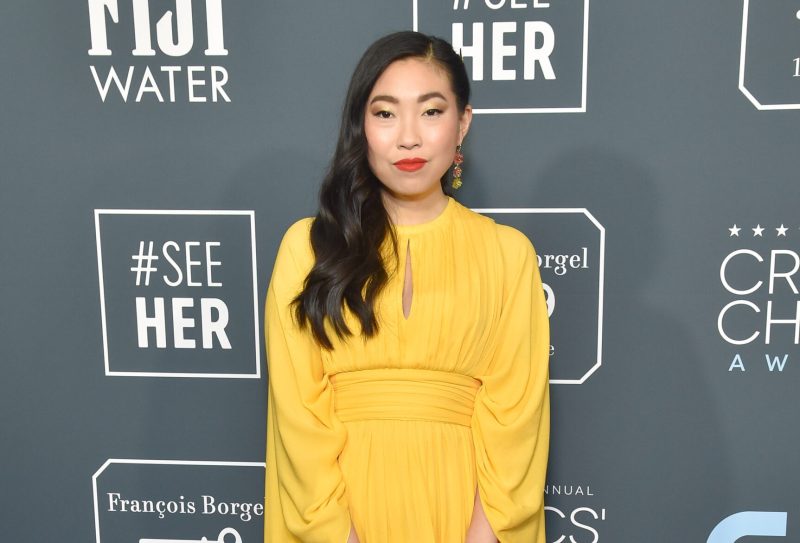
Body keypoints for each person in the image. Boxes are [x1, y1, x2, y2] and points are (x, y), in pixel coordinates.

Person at [264, 30, 550, 543]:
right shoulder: (308, 248)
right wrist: (336, 534)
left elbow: (517, 422)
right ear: (361, 127)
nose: (409, 137)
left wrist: (482, 537)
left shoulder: (508, 254)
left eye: (432, 112)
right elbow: (297, 414)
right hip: (340, 514)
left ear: (463, 123)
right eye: (385, 113)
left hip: (463, 511)